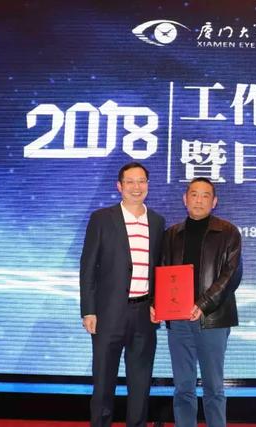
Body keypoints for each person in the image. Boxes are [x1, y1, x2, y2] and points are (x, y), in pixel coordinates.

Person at [80, 162, 165, 427]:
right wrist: (88, 310)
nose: (136, 187)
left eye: (141, 181)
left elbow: (160, 269)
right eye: (130, 181)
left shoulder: (157, 222)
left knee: (140, 382)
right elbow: (88, 266)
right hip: (108, 313)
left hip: (144, 315)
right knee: (103, 382)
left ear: (148, 185)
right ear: (119, 186)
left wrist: (159, 304)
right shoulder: (102, 218)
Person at [155, 177, 242, 427]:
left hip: (213, 319)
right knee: (183, 387)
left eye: (205, 195)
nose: (199, 200)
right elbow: (162, 272)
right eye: (194, 194)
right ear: (185, 199)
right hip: (179, 321)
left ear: (214, 202)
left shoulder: (228, 232)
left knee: (214, 387)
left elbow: (231, 275)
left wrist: (203, 304)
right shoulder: (171, 234)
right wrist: (157, 304)